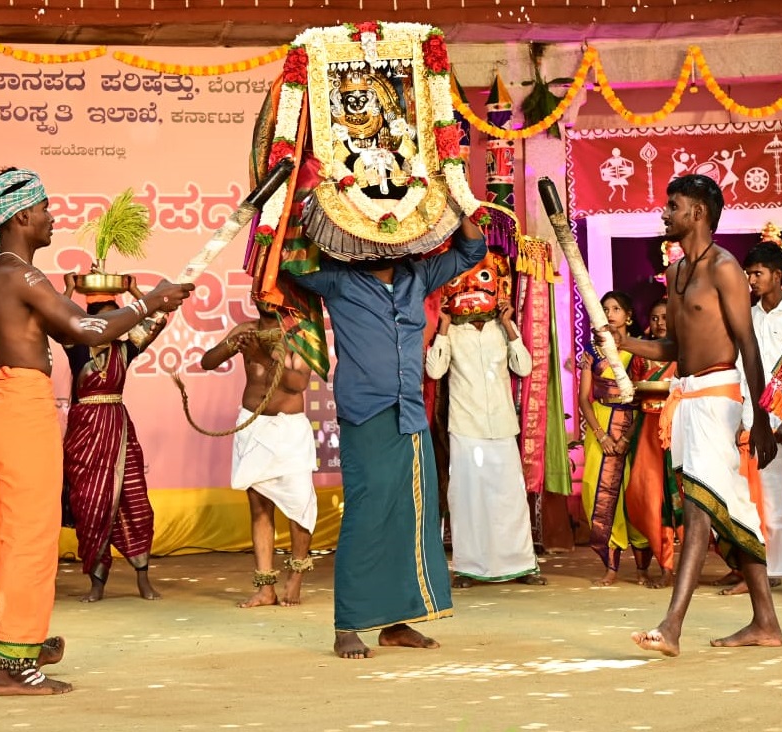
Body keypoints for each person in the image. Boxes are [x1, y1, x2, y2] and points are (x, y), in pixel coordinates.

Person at [0, 167, 193, 694]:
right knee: (31, 541)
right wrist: (149, 302)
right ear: (22, 215)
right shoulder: (19, 274)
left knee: (17, 538)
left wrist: (148, 308)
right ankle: (14, 667)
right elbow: (88, 328)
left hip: (9, 405)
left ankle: (21, 641)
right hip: (21, 412)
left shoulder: (3, 273)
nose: (52, 216)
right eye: (45, 208)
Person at [603, 174, 782, 658]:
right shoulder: (678, 272)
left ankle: (672, 625)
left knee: (701, 511)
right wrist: (625, 343)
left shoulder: (724, 268)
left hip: (718, 399)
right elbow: (675, 348)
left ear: (698, 213)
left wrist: (760, 417)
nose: (664, 212)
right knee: (727, 506)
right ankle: (766, 621)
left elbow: (748, 344)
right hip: (685, 398)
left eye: (673, 205)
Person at [292, 215, 486, 660]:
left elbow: (472, 252)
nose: (386, 244)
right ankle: (348, 625)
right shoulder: (338, 280)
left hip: (410, 413)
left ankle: (396, 624)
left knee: (412, 518)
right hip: (367, 412)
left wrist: (457, 204)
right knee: (366, 516)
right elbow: (285, 266)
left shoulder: (418, 275)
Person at [60, 276, 173, 603]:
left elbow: (158, 320)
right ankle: (97, 585)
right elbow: (52, 316)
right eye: (107, 319)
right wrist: (69, 288)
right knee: (91, 506)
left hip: (120, 432)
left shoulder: (126, 348)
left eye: (119, 318)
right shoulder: (76, 347)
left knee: (135, 504)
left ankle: (143, 579)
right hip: (85, 435)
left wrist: (139, 290)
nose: (115, 325)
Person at [200, 299, 318, 607]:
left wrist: (261, 356)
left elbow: (297, 384)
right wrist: (233, 346)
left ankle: (296, 577)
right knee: (259, 509)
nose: (265, 298)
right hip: (253, 428)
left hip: (288, 431)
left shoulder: (300, 335)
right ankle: (265, 586)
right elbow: (207, 362)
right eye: (260, 293)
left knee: (299, 507)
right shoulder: (246, 330)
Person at [424, 286, 544, 589]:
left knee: (510, 498)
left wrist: (508, 325)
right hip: (466, 425)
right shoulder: (454, 332)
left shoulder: (500, 328)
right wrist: (444, 326)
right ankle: (468, 568)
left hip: (502, 425)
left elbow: (524, 366)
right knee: (468, 500)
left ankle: (521, 564)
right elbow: (435, 370)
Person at [728, 242, 782, 594]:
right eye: (749, 274)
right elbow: (741, 371)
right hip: (753, 418)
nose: (752, 280)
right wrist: (741, 417)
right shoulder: (749, 315)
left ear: (780, 276)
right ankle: (764, 570)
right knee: (755, 498)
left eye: (758, 273)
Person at [575, 291, 648, 586]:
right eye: (605, 309)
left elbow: (645, 399)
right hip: (601, 423)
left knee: (634, 494)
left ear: (628, 315)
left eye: (617, 308)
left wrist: (626, 437)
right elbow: (583, 399)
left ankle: (644, 566)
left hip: (634, 425)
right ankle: (612, 566)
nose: (610, 313)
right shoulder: (593, 351)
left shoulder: (642, 351)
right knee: (595, 492)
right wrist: (601, 434)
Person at [623, 299, 682, 587]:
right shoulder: (640, 357)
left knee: (681, 496)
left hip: (679, 429)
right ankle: (665, 565)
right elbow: (633, 393)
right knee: (650, 496)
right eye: (655, 318)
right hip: (647, 429)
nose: (660, 323)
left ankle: (733, 565)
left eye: (665, 317)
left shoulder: (685, 353)